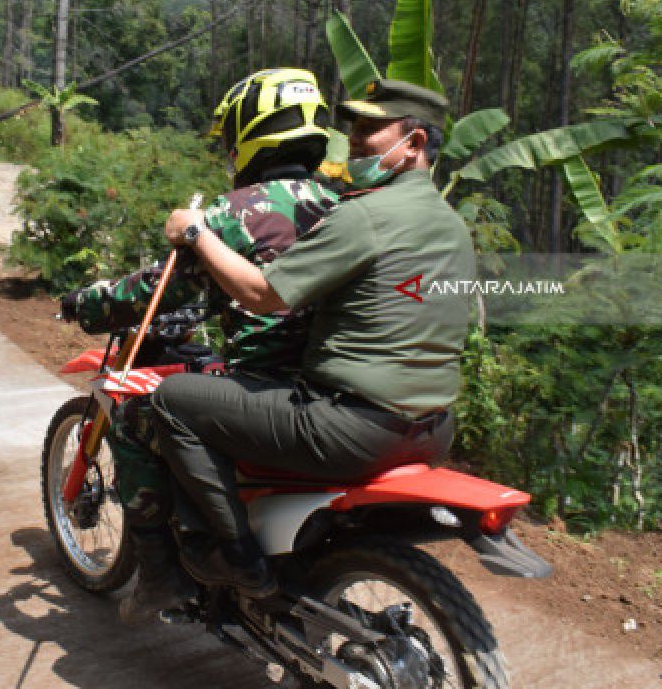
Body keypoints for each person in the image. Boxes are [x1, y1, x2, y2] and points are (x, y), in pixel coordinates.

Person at [152, 78, 477, 597]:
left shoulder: (366, 215)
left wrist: (196, 233)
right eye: (352, 126)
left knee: (174, 400)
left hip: (350, 428)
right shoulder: (450, 222)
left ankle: (234, 558)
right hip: (432, 428)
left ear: (414, 143)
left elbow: (261, 294)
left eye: (371, 128)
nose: (354, 139)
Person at [60, 68, 338, 620]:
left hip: (269, 392)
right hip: (337, 388)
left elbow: (149, 292)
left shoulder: (232, 214)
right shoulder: (346, 204)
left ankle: (162, 573)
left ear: (248, 134)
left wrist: (86, 303)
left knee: (138, 415)